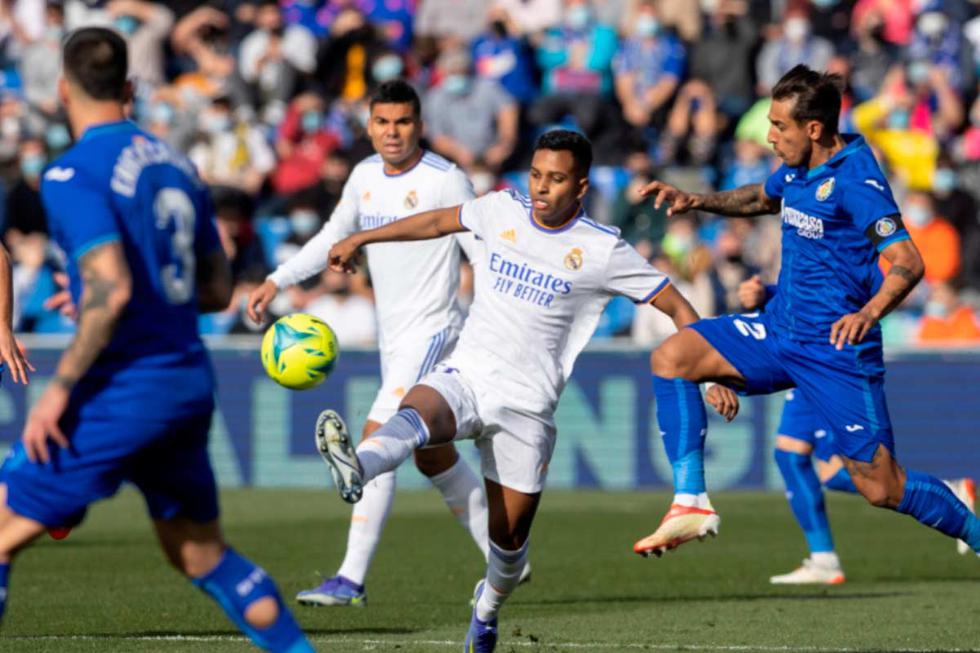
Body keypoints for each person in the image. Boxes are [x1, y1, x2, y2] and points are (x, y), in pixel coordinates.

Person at [319, 129, 736, 652]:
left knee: (509, 546)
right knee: (417, 411)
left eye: (555, 179)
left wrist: (710, 372)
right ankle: (358, 467)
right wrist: (363, 238)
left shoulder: (603, 249)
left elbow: (676, 306)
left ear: (580, 187)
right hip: (468, 374)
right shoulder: (501, 210)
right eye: (536, 175)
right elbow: (435, 222)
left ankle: (486, 610)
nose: (541, 187)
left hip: (527, 408)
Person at [0, 28, 314, 653]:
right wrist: (112, 292)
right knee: (200, 555)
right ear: (130, 87)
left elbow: (111, 288)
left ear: (62, 90)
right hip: (186, 384)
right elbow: (216, 289)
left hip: (123, 388)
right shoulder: (176, 164)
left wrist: (58, 390)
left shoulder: (71, 173)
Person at [632, 65, 980, 561]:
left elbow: (908, 262)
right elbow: (761, 197)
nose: (770, 137)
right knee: (672, 357)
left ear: (813, 128)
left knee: (882, 487)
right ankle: (691, 502)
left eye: (779, 126)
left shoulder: (856, 180)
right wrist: (697, 201)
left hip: (836, 350)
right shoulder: (798, 168)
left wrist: (868, 313)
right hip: (780, 330)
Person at [246, 80, 515, 607]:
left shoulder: (445, 179)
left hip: (436, 331)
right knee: (432, 459)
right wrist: (278, 280)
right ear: (369, 127)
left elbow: (481, 256)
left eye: (403, 122)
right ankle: (505, 558)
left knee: (377, 434)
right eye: (383, 122)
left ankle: (350, 579)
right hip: (393, 338)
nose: (393, 132)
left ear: (420, 126)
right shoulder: (365, 175)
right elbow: (332, 237)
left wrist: (494, 325)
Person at [733, 275, 978, 583]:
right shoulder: (804, 247)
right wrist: (767, 294)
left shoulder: (852, 248)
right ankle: (823, 558)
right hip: (804, 350)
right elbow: (807, 283)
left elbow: (845, 285)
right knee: (792, 455)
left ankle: (947, 493)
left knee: (850, 475)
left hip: (829, 356)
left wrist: (770, 293)